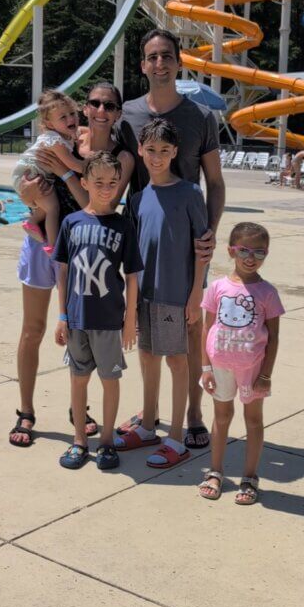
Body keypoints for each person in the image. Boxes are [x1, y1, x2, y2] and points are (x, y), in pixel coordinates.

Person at [9, 81, 135, 448]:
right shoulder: (67, 138)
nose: (101, 110)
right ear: (85, 108)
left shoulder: (119, 156)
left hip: (84, 249)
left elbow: (99, 205)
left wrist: (66, 173)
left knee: (83, 333)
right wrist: (30, 195)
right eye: (94, 103)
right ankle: (26, 410)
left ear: (118, 112)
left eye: (109, 105)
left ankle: (78, 410)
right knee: (33, 329)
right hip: (42, 243)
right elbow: (28, 183)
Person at [117, 29, 225, 449]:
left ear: (179, 63)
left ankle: (193, 413)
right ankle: (150, 413)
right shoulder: (128, 115)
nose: (159, 63)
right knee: (146, 332)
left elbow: (215, 181)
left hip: (187, 241)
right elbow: (113, 168)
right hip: (144, 238)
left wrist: (209, 231)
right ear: (142, 65)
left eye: (167, 56)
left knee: (190, 328)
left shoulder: (200, 116)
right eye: (152, 56)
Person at [117, 119, 208, 467]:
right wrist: (130, 303)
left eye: (164, 150)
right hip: (145, 294)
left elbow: (202, 250)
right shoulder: (137, 199)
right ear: (140, 150)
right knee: (147, 356)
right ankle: (147, 427)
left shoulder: (190, 193)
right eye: (151, 150)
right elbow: (131, 256)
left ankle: (177, 438)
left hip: (175, 294)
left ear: (175, 152)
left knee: (176, 360)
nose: (157, 157)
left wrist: (195, 296)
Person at [51, 151, 141, 470]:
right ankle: (79, 440)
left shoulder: (123, 225)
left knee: (109, 379)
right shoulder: (71, 222)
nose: (106, 188)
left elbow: (132, 276)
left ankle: (105, 441)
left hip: (109, 320)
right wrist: (61, 316)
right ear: (85, 182)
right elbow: (62, 272)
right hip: (76, 320)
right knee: (78, 379)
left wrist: (129, 320)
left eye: (112, 183)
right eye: (99, 181)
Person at [198, 222, 284, 505]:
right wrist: (206, 368)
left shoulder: (267, 292)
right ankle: (215, 471)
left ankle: (249, 477)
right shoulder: (217, 287)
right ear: (231, 251)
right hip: (220, 365)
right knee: (221, 417)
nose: (251, 258)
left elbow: (273, 337)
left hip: (253, 368)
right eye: (244, 250)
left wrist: (266, 374)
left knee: (253, 420)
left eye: (259, 252)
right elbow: (207, 328)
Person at [12, 90, 85, 253]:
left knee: (47, 205)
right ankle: (52, 245)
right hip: (31, 174)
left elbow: (83, 130)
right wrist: (92, 163)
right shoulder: (55, 140)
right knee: (53, 208)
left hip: (32, 174)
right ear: (50, 124)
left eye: (72, 113)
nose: (70, 119)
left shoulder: (64, 134)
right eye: (63, 117)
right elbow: (74, 165)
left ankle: (32, 222)